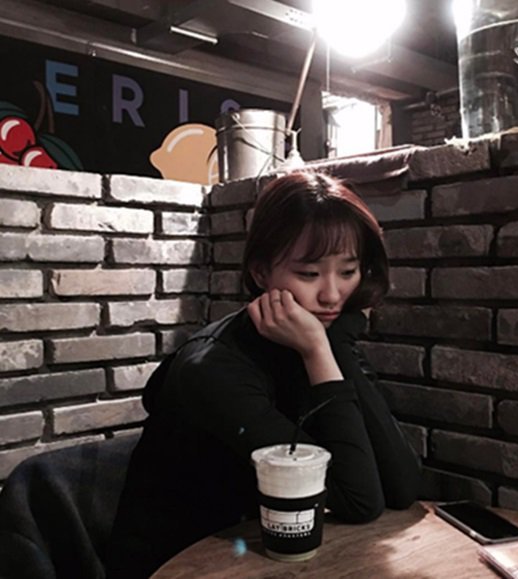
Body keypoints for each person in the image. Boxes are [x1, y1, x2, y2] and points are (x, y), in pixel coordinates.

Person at [105, 170, 422, 578]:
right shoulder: (214, 370)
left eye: (348, 272)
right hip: (180, 566)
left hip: (268, 556)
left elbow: (401, 485)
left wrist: (333, 344)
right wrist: (319, 348)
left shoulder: (315, 338)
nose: (331, 295)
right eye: (309, 274)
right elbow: (358, 499)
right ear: (260, 273)